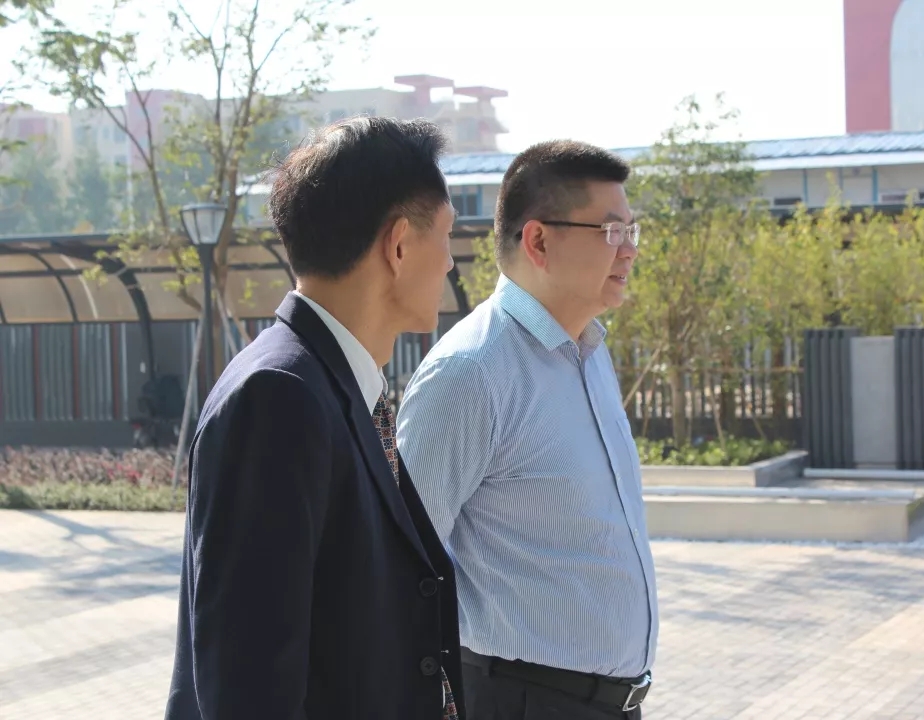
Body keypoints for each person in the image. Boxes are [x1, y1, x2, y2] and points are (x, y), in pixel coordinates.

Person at [165, 117, 466, 720]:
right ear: (399, 245)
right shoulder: (278, 397)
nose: (451, 263)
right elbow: (249, 685)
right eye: (447, 236)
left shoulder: (331, 385)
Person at [397, 140, 658, 720]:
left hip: (613, 704)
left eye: (632, 231)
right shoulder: (471, 372)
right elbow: (399, 568)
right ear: (538, 241)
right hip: (521, 700)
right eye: (612, 231)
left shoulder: (590, 352)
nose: (630, 250)